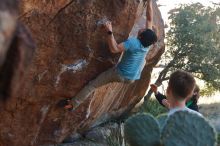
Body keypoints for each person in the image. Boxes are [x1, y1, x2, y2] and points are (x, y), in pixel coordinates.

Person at [63, 0, 158, 110]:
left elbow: (114, 49)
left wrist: (109, 32)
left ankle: (72, 104)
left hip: (120, 74)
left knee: (93, 85)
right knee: (143, 60)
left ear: (140, 37)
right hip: (132, 78)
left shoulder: (133, 43)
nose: (142, 29)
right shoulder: (148, 43)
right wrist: (150, 2)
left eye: (143, 31)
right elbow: (150, 19)